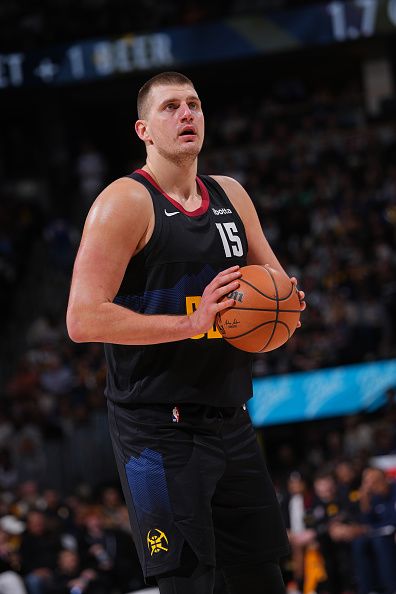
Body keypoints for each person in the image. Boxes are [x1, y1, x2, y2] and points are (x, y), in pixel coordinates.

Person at [66, 71, 306, 594]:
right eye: (170, 107)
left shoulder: (231, 195)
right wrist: (190, 323)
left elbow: (276, 285)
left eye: (193, 104)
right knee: (188, 584)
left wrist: (287, 304)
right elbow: (82, 318)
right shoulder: (124, 203)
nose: (186, 114)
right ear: (143, 130)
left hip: (231, 419)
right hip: (155, 432)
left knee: (262, 579)